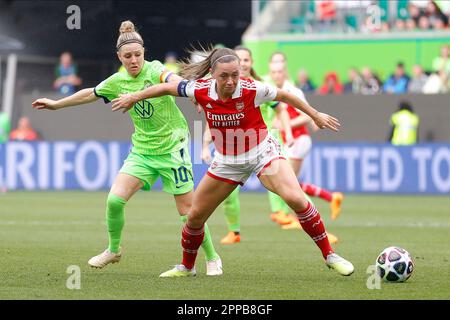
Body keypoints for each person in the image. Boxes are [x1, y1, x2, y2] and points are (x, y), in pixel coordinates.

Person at [111, 47, 354, 278]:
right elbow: (165, 88)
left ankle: (330, 255)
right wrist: (135, 96)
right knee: (195, 217)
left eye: (235, 75)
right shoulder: (200, 88)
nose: (230, 81)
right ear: (213, 75)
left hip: (262, 153)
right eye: (224, 76)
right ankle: (187, 267)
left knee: (296, 199)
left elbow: (285, 95)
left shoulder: (252, 88)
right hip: (228, 161)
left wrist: (316, 115)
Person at [31, 21, 222, 276]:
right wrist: (57, 104)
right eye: (128, 56)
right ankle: (113, 250)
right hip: (142, 151)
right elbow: (91, 93)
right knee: (114, 200)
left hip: (172, 148)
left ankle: (212, 258)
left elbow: (173, 79)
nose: (134, 60)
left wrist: (192, 93)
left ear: (144, 53)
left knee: (188, 213)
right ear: (119, 57)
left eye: (138, 55)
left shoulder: (155, 70)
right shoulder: (117, 81)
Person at [201, 45, 294, 245]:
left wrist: (287, 131)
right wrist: (204, 145)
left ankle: (304, 223)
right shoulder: (216, 89)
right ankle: (234, 232)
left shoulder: (257, 86)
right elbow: (212, 119)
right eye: (239, 59)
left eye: (246, 60)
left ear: (251, 63)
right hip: (232, 152)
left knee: (290, 191)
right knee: (228, 196)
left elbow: (281, 108)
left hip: (263, 147)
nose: (242, 63)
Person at [268, 62, 343, 235]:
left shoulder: (293, 91)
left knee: (288, 184)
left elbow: (306, 114)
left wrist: (288, 125)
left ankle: (315, 222)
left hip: (299, 140)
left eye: (279, 71)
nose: (276, 75)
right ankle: (330, 198)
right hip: (291, 140)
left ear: (285, 72)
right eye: (273, 72)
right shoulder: (272, 90)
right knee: (290, 183)